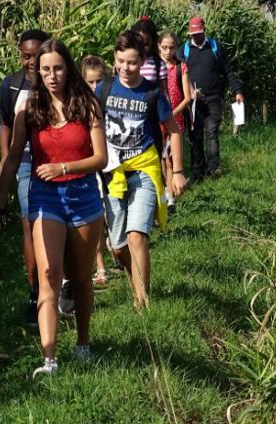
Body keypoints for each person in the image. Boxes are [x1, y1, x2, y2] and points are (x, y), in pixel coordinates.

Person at [0, 39, 108, 378]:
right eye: (45, 70)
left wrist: (65, 168)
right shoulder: (29, 109)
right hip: (45, 197)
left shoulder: (86, 105)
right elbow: (12, 158)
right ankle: (49, 360)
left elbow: (100, 158)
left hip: (83, 195)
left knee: (82, 279)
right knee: (49, 276)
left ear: (67, 68)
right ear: (36, 72)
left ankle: (83, 343)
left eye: (57, 68)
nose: (52, 76)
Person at [98, 30, 187, 309]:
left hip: (144, 171)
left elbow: (173, 130)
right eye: (121, 61)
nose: (126, 68)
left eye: (133, 62)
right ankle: (134, 279)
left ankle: (142, 302)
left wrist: (177, 171)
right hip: (113, 173)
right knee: (118, 246)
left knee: (136, 235)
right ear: (114, 59)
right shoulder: (104, 89)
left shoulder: (152, 93)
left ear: (143, 62)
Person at [0, 29, 49, 326]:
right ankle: (35, 292)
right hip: (26, 163)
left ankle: (60, 281)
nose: (30, 62)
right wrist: (8, 157)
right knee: (30, 224)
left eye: (36, 55)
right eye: (25, 56)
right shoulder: (11, 87)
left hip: (55, 162)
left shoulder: (59, 80)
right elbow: (5, 123)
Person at [179, 16, 243, 180]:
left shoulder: (215, 47)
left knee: (212, 132)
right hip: (193, 101)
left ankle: (213, 168)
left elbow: (227, 71)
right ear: (189, 33)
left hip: (213, 98)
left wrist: (237, 90)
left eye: (199, 33)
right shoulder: (184, 50)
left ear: (204, 30)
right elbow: (177, 74)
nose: (196, 37)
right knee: (196, 136)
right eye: (193, 34)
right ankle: (197, 172)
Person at [80, 55, 114, 286]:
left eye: (99, 81)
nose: (95, 87)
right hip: (88, 164)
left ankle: (116, 243)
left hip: (112, 163)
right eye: (90, 82)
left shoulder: (111, 102)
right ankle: (100, 266)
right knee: (95, 216)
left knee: (109, 212)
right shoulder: (79, 106)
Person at [158, 31, 193, 212]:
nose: (168, 51)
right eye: (164, 47)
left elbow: (187, 97)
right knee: (163, 158)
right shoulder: (155, 68)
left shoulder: (181, 67)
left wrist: (170, 113)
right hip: (158, 120)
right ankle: (167, 190)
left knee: (171, 158)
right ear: (158, 46)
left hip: (175, 121)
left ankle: (171, 198)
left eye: (172, 47)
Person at [131, 16, 167, 86]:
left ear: (152, 42)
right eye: (139, 43)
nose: (142, 47)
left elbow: (164, 92)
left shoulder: (158, 64)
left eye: (146, 44)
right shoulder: (126, 61)